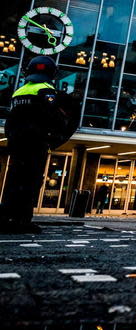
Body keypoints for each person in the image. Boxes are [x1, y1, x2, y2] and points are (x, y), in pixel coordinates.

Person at [0, 56, 74, 233]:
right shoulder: (46, 90)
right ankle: (22, 220)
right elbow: (54, 117)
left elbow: (11, 121)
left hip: (17, 143)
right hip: (35, 143)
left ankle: (5, 217)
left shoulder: (19, 91)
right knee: (31, 181)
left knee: (14, 179)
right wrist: (56, 135)